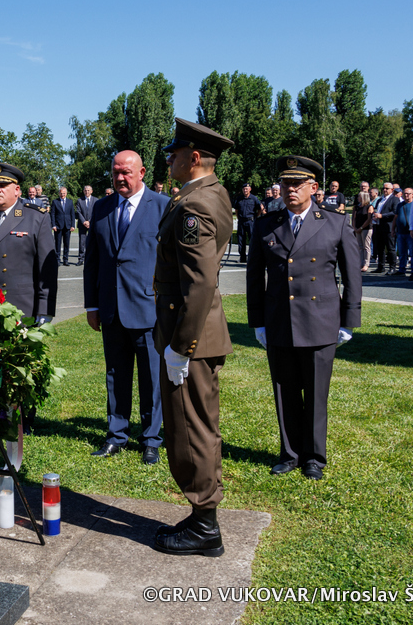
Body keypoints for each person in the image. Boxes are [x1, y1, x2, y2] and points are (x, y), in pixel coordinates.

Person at [247, 155, 361, 482]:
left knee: (315, 394)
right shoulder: (267, 224)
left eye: (297, 184)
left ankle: (314, 457)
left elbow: (352, 275)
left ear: (314, 187)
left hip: (320, 320)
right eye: (285, 183)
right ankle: (290, 454)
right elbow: (254, 276)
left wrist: (348, 320)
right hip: (280, 319)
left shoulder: (335, 223)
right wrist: (258, 321)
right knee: (284, 392)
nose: (290, 189)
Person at [151, 118, 234, 557]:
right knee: (198, 424)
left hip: (190, 335)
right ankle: (203, 516)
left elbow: (199, 283)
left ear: (194, 157)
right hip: (194, 332)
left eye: (175, 154)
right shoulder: (209, 194)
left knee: (191, 429)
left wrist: (180, 347)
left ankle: (204, 525)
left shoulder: (195, 205)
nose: (169, 160)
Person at [83, 151, 170, 465]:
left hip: (148, 309)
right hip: (111, 308)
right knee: (115, 376)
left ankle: (151, 439)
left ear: (142, 172)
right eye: (116, 172)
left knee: (151, 379)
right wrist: (92, 305)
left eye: (126, 172)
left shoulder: (162, 206)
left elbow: (171, 262)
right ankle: (116, 435)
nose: (120, 178)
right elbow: (92, 261)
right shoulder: (102, 207)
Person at [0, 162, 57, 432]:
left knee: (19, 364)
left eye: (3, 185)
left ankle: (22, 418)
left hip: (21, 306)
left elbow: (47, 269)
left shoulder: (35, 217)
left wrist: (44, 309)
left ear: (17, 190)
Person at [233, 183, 263, 263]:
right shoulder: (239, 198)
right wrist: (239, 218)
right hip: (241, 221)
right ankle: (242, 258)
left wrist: (255, 217)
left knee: (252, 240)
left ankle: (252, 257)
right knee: (241, 240)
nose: (245, 190)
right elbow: (236, 210)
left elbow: (259, 209)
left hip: (251, 221)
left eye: (246, 189)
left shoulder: (254, 198)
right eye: (244, 189)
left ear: (250, 189)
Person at [373, 184, 398, 273]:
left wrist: (382, 216)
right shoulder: (380, 200)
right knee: (380, 248)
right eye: (383, 188)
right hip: (379, 226)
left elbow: (394, 212)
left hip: (389, 227)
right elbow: (376, 210)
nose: (384, 190)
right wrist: (374, 215)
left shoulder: (394, 199)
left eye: (387, 188)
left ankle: (392, 267)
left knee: (390, 248)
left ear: (392, 189)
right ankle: (381, 266)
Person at [393, 188, 413, 275]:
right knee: (402, 253)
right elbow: (395, 217)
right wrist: (393, 229)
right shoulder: (400, 205)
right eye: (405, 193)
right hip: (400, 232)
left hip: (411, 233)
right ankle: (401, 269)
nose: (406, 195)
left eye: (408, 194)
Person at [50, 186, 74, 266]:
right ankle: (57, 260)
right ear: (59, 193)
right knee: (57, 244)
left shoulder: (70, 202)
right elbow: (52, 214)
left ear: (66, 193)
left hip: (67, 226)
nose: (62, 195)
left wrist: (73, 225)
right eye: (61, 193)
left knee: (66, 244)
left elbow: (72, 214)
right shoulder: (55, 202)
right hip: (58, 226)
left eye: (64, 193)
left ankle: (65, 260)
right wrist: (53, 225)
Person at [74, 184, 96, 266]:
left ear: (91, 191)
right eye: (85, 190)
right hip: (82, 224)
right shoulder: (80, 200)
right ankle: (81, 259)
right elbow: (78, 212)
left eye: (88, 190)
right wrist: (84, 222)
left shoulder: (96, 200)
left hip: (92, 224)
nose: (87, 192)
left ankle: (91, 259)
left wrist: (89, 221)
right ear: (83, 191)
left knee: (92, 242)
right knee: (82, 243)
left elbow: (95, 212)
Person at [351, 191, 373, 271]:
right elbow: (354, 218)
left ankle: (366, 264)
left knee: (366, 246)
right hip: (357, 228)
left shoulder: (369, 207)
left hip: (366, 229)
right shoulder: (357, 207)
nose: (358, 198)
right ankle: (360, 263)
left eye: (359, 196)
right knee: (359, 246)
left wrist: (361, 228)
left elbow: (369, 219)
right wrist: (354, 227)